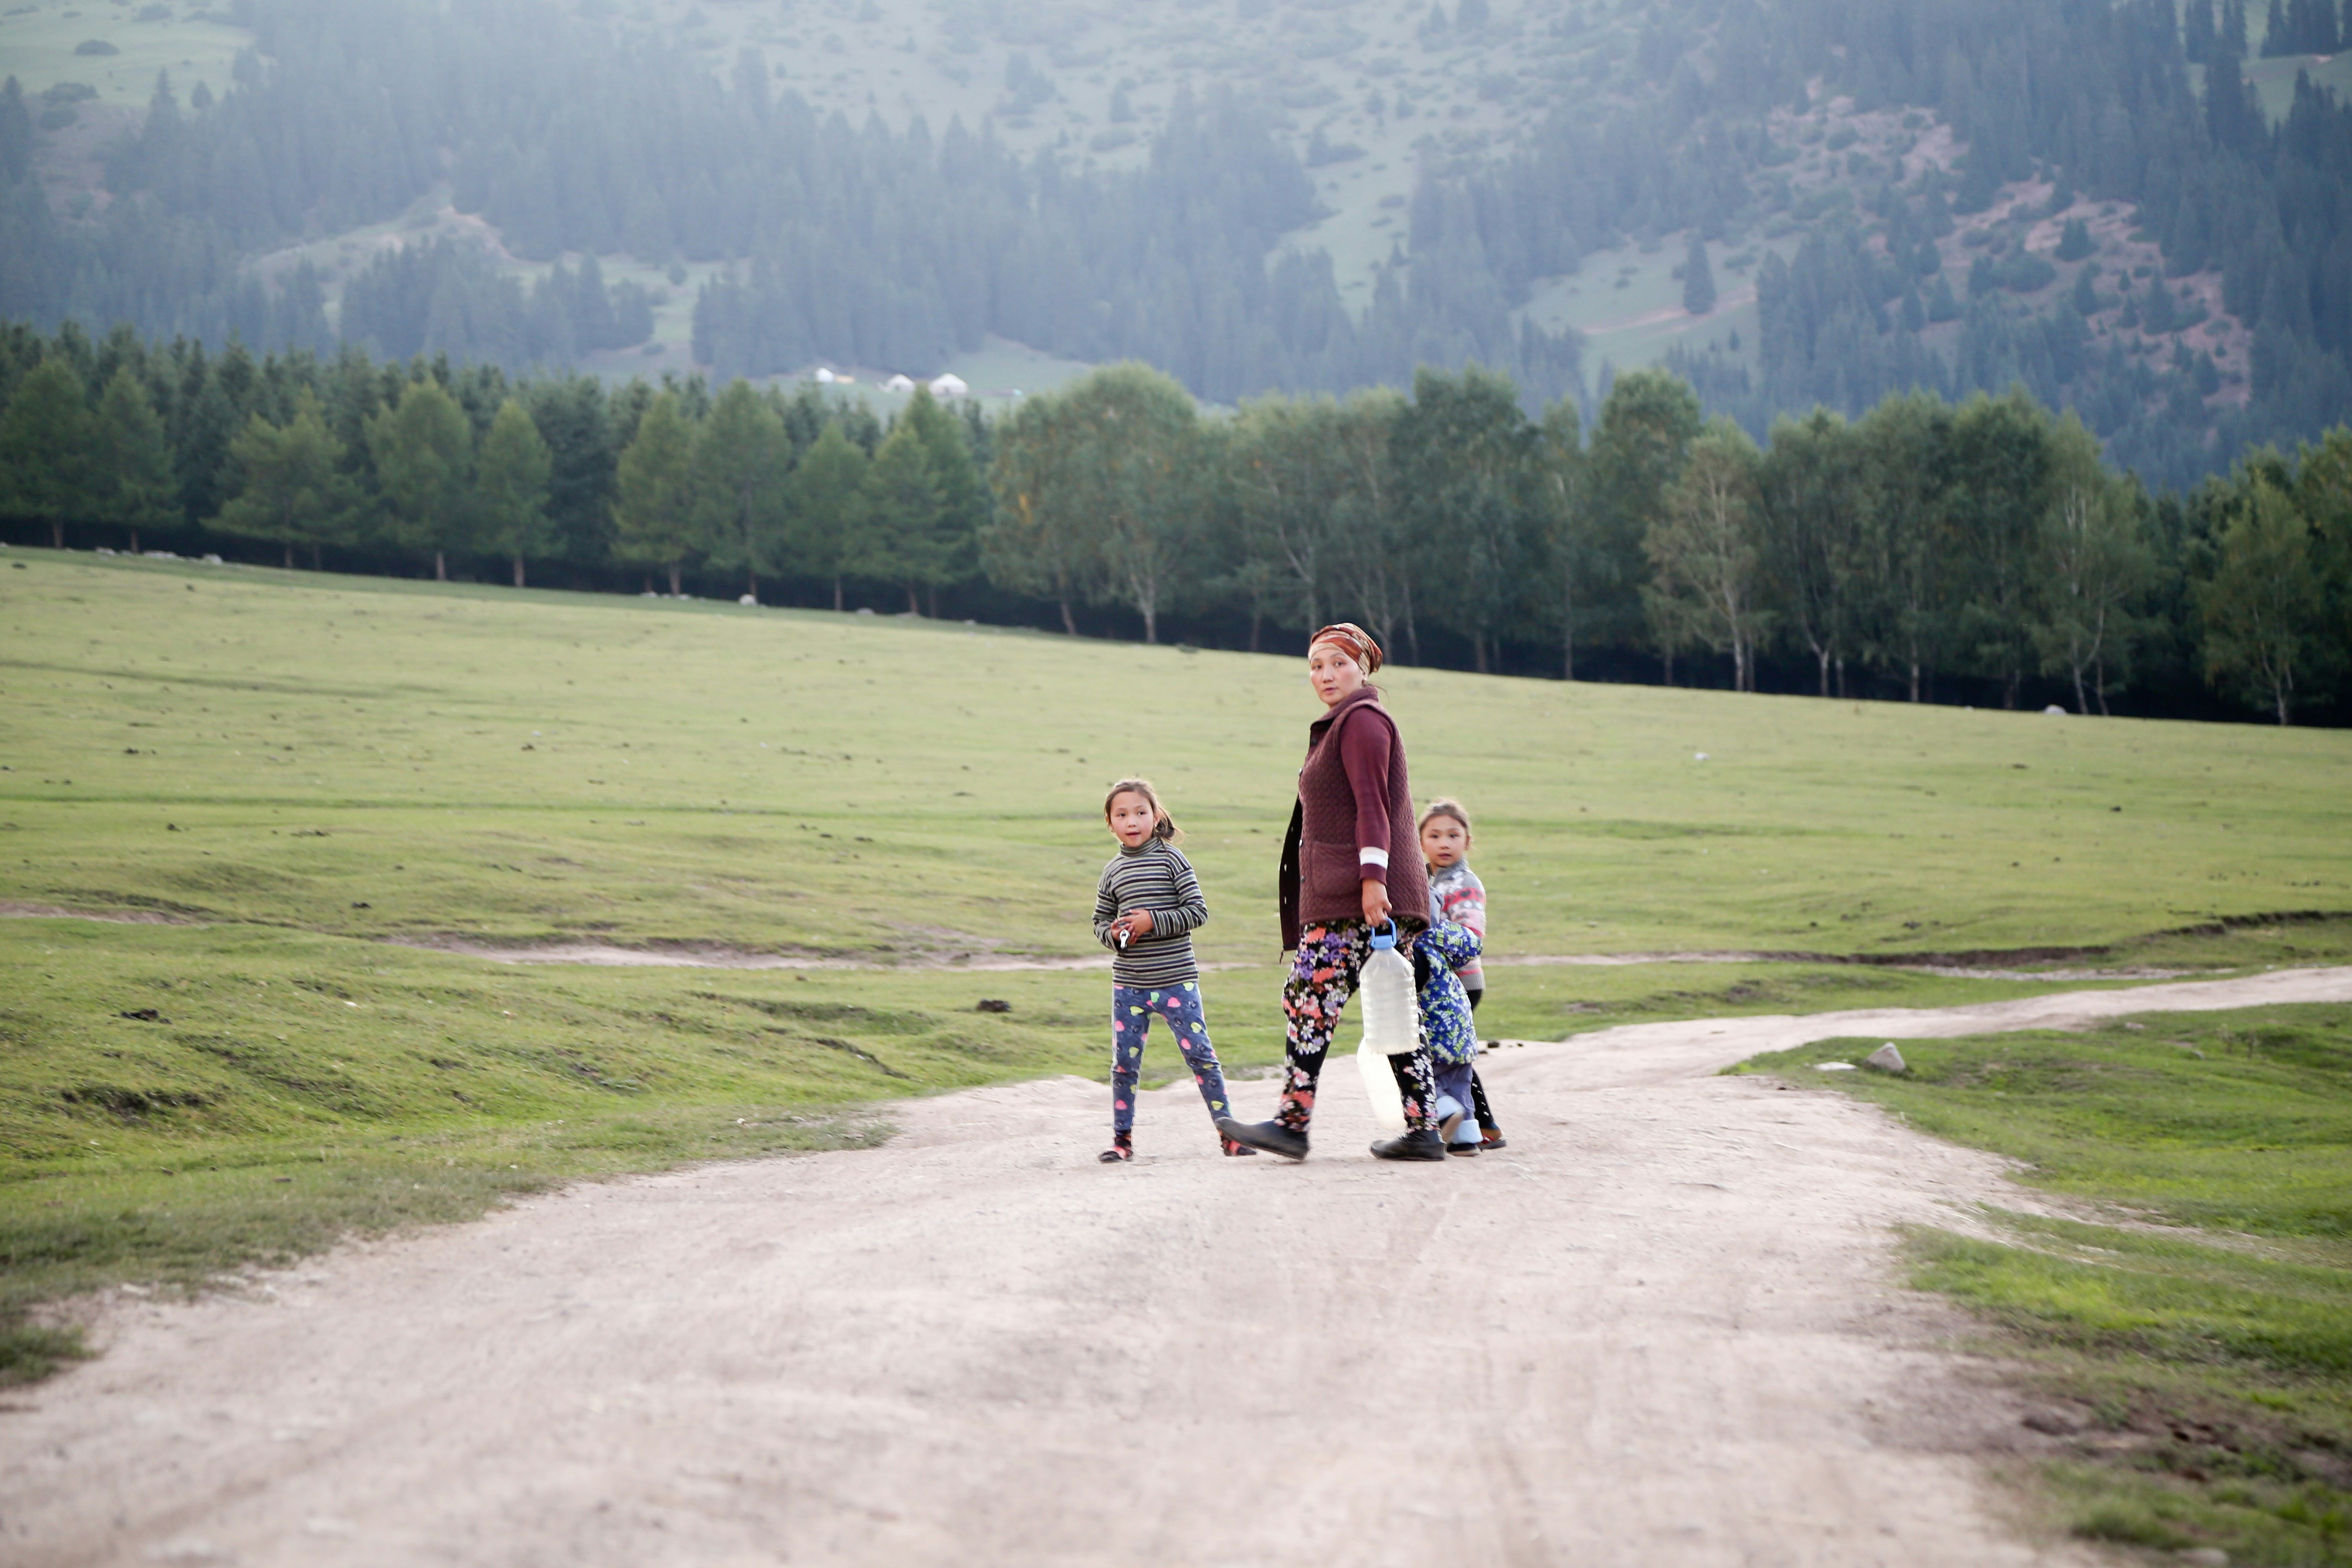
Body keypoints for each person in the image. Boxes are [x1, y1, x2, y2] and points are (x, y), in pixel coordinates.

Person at [1218, 623, 1448, 1162]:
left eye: (1337, 663)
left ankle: (1292, 1124)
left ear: (1362, 668)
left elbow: (1374, 807)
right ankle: (1423, 1129)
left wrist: (1372, 882)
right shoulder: (1347, 722)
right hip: (1359, 892)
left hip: (1356, 895)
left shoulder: (1362, 722)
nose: (1325, 675)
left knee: (1309, 1001)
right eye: (1316, 667)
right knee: (1391, 1008)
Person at [1092, 778, 1251, 1163]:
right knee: (1124, 1065)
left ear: (1156, 816)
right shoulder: (1112, 872)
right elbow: (1099, 922)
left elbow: (1198, 911)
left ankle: (1228, 1135)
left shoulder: (1172, 860)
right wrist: (1114, 934)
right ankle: (1121, 1141)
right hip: (1129, 986)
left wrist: (1152, 922)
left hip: (1176, 981)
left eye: (1141, 813)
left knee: (1201, 1057)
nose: (1133, 821)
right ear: (1110, 824)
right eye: (1122, 815)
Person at [1421, 798, 1505, 1150]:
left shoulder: (1464, 883)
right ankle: (1482, 1127)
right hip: (1439, 982)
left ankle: (1464, 1121)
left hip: (1460, 982)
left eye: (1453, 835)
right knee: (1454, 1053)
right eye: (1435, 836)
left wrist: (1423, 937)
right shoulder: (1427, 878)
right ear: (1420, 842)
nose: (1444, 843)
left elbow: (1472, 937)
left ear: (1467, 842)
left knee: (1447, 1054)